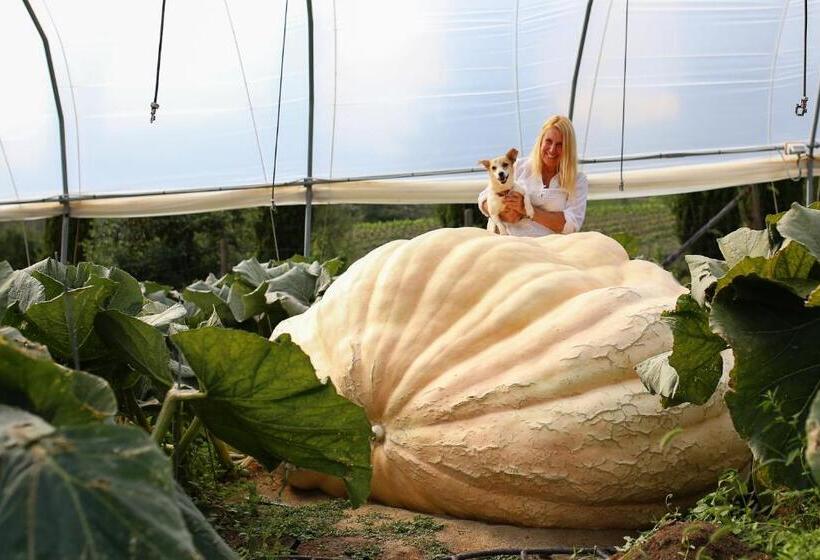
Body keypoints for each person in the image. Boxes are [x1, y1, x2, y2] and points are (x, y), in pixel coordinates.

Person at [478, 115, 588, 237]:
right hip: (507, 239)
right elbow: (483, 198)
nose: (552, 149)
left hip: (549, 245)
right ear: (540, 142)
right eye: (548, 141)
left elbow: (572, 225)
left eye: (559, 144)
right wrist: (503, 214)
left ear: (568, 149)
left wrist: (527, 209)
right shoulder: (519, 166)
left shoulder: (577, 180)